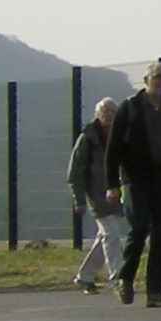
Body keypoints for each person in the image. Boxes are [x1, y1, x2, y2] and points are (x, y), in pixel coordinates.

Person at [106, 61, 161, 307]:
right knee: (139, 227)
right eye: (157, 77)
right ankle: (125, 278)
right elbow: (113, 149)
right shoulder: (129, 108)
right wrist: (112, 184)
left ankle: (156, 291)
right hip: (135, 180)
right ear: (146, 80)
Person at [67, 98, 124, 294]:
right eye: (105, 112)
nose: (109, 115)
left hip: (116, 192)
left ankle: (85, 277)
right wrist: (79, 199)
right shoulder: (87, 138)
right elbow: (75, 172)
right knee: (111, 234)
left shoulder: (121, 135)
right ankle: (118, 278)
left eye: (112, 111)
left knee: (105, 236)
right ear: (97, 115)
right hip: (96, 194)